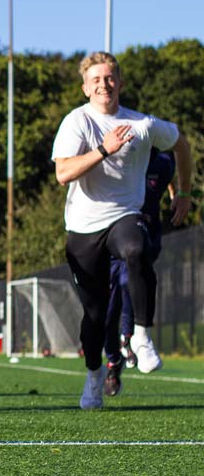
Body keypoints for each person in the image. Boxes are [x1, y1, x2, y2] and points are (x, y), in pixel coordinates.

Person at [51, 51, 192, 410]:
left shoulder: (142, 124)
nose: (103, 84)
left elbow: (181, 143)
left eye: (109, 77)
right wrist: (103, 148)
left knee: (135, 249)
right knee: (95, 317)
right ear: (85, 87)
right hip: (83, 228)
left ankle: (142, 336)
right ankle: (95, 374)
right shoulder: (76, 122)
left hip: (124, 216)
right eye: (96, 79)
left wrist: (185, 193)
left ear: (120, 83)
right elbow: (63, 173)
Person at [103, 148, 176, 397]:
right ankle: (113, 362)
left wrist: (181, 195)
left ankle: (135, 337)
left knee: (130, 280)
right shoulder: (118, 160)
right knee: (106, 313)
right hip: (111, 238)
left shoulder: (164, 161)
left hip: (143, 237)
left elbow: (178, 162)